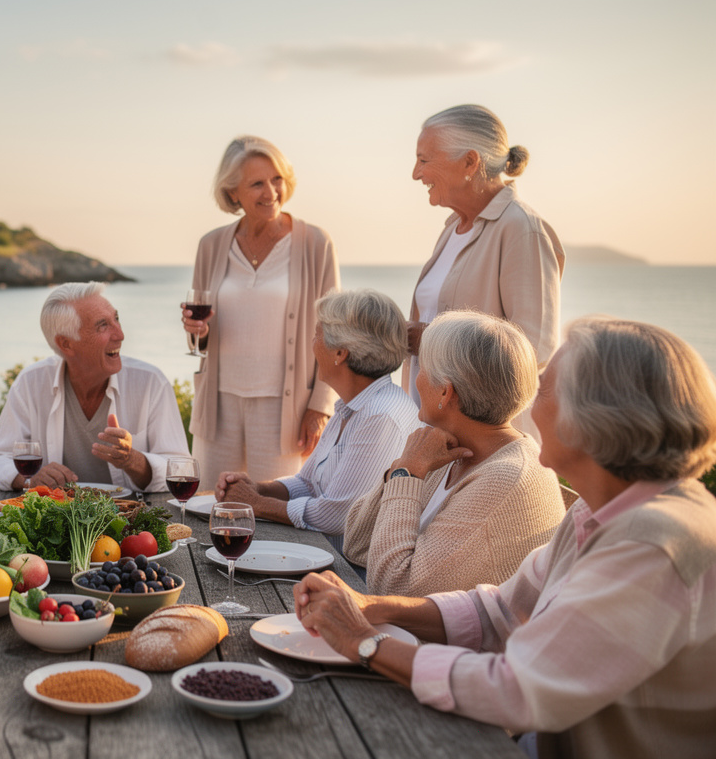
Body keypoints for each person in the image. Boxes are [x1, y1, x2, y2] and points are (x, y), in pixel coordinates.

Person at [293, 317, 716, 759]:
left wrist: (366, 642)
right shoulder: (602, 513)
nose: (529, 409)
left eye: (544, 390)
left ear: (594, 418)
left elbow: (516, 688)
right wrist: (371, 607)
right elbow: (499, 609)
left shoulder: (655, 546)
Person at [343, 310, 569, 596]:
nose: (416, 379)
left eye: (422, 369)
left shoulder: (505, 478)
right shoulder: (447, 449)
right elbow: (357, 545)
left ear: (445, 393)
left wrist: (408, 473)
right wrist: (403, 468)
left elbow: (393, 587)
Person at [184, 135, 340, 488]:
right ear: (233, 191)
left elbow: (335, 330)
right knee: (210, 504)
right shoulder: (210, 246)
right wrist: (198, 331)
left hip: (284, 410)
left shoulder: (316, 243)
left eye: (277, 179)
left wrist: (320, 405)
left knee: (274, 512)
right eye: (257, 183)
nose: (270, 192)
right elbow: (199, 339)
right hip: (218, 404)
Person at [215, 289, 420, 552]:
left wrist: (253, 503)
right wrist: (257, 488)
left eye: (317, 335)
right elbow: (307, 483)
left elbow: (335, 517)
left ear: (340, 353)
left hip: (352, 575)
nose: (312, 345)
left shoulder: (381, 416)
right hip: (322, 554)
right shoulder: (353, 405)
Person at [406, 104, 564, 435]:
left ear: (470, 162)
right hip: (437, 429)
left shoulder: (521, 228)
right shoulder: (452, 228)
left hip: (485, 441)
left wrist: (427, 338)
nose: (416, 174)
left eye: (424, 160)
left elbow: (533, 348)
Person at [0, 282, 189, 493]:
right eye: (103, 325)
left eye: (116, 319)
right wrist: (30, 479)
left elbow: (181, 468)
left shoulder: (151, 383)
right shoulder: (30, 383)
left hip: (131, 517)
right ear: (66, 344)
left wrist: (132, 460)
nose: (120, 335)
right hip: (55, 519)